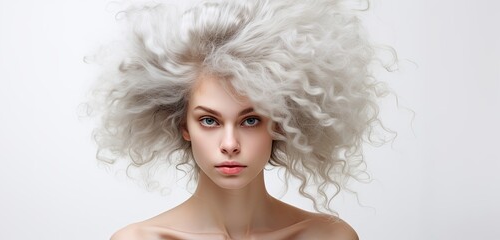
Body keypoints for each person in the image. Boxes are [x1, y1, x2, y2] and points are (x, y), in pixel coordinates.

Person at [89, 0, 394, 239]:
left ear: (279, 123)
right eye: (209, 121)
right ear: (183, 126)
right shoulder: (140, 239)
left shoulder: (329, 237)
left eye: (250, 121)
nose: (230, 144)